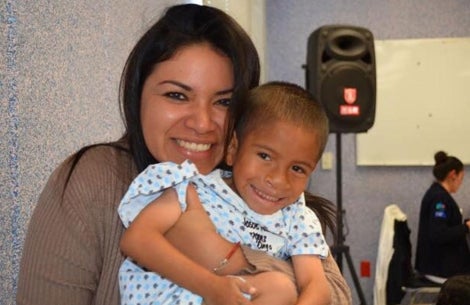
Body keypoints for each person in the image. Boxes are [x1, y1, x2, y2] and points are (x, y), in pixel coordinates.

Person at [16, 4, 351, 305]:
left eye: (223, 102)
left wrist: (222, 256)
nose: (202, 124)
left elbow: (333, 293)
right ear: (138, 93)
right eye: (177, 95)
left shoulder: (272, 193)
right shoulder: (97, 179)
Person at [118, 81, 331, 305]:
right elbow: (136, 240)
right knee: (280, 288)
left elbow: (317, 286)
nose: (277, 180)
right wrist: (213, 287)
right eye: (265, 156)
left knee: (279, 289)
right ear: (233, 149)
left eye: (297, 169)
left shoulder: (298, 218)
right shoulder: (194, 187)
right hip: (169, 298)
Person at [415, 151, 470, 284]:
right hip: (440, 269)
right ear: (452, 175)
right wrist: (465, 227)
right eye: (461, 178)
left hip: (439, 264)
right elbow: (438, 234)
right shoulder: (439, 199)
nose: (460, 183)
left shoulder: (437, 194)